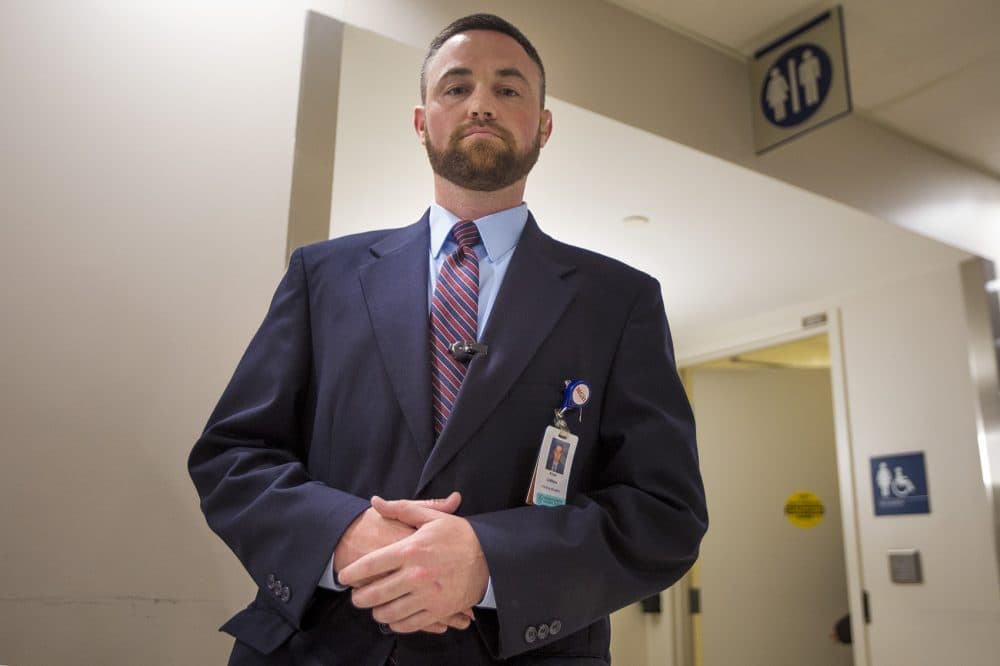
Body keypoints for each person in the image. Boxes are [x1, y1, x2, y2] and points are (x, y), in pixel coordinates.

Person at [189, 13, 707, 665]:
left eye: (509, 88)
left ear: (543, 125)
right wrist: (342, 536)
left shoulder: (619, 300)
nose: (481, 103)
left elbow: (664, 512)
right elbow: (233, 457)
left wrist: (490, 563)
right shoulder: (321, 277)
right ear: (420, 120)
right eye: (456, 87)